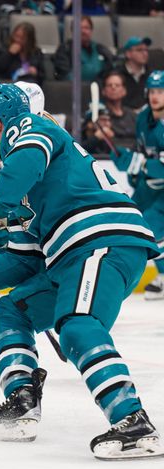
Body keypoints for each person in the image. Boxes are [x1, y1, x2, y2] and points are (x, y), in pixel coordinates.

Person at [0, 82, 161, 460]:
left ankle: (134, 423)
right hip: (71, 254)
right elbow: (25, 259)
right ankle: (22, 402)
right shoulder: (25, 180)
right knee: (10, 311)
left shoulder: (31, 128)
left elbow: (26, 155)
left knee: (76, 325)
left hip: (99, 240)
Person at [110, 71, 164, 300]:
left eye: (160, 91)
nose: (155, 96)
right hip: (148, 188)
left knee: (150, 231)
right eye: (152, 91)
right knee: (130, 225)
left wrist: (139, 163)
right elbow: (142, 153)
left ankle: (161, 278)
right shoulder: (143, 118)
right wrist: (131, 165)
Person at [53, 16, 112, 82]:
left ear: (91, 30)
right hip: (73, 89)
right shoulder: (64, 50)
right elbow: (64, 74)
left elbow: (111, 69)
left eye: (86, 28)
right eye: (79, 28)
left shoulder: (101, 49)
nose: (83, 31)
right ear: (72, 31)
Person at [100, 71, 137, 148]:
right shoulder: (99, 116)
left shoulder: (133, 115)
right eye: (109, 85)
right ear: (103, 91)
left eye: (117, 85)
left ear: (124, 91)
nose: (113, 87)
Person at [117, 37, 152, 111]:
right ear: (128, 54)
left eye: (146, 50)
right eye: (139, 50)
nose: (145, 53)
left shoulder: (152, 76)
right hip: (125, 117)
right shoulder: (117, 75)